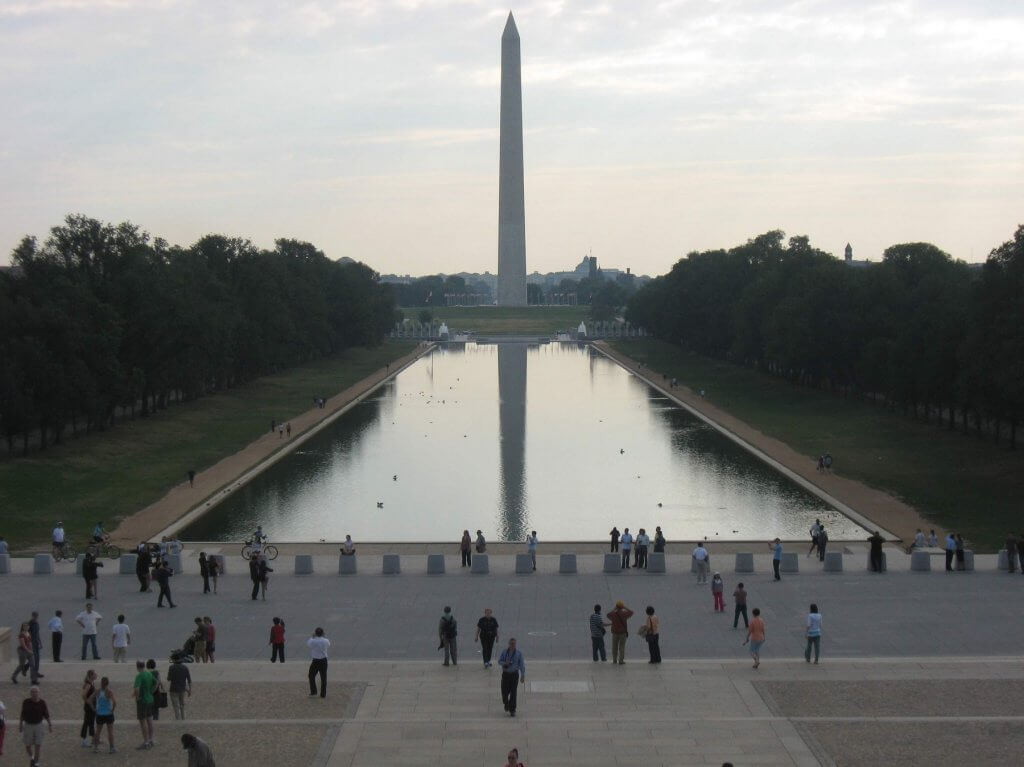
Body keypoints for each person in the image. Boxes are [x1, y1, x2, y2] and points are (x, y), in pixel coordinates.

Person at [18, 685, 51, 767]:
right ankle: (32, 757)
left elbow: (46, 714)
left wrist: (50, 725)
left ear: (39, 693)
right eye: (32, 692)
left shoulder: (42, 703)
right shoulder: (26, 702)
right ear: (30, 693)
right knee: (27, 745)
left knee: (38, 745)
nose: (34, 693)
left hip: (38, 725)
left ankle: (36, 763)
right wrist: (20, 724)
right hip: (28, 725)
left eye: (36, 692)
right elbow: (22, 713)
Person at [497, 638, 526, 717]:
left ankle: (512, 709)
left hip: (514, 675)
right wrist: (505, 663)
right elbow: (499, 661)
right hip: (506, 674)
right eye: (511, 644)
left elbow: (522, 665)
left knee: (513, 692)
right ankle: (506, 704)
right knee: (504, 692)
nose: (513, 645)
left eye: (514, 644)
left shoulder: (519, 653)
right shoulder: (504, 652)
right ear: (509, 644)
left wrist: (522, 675)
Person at [133, 660, 156, 749]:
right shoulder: (149, 674)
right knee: (150, 720)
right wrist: (152, 691)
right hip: (150, 699)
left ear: (137, 667)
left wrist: (137, 697)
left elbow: (137, 688)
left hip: (143, 701)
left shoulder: (139, 676)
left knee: (143, 722)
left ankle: (146, 742)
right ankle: (151, 739)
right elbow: (156, 682)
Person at [90, 676, 116, 753]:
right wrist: (112, 710)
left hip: (99, 714)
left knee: (98, 731)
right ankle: (111, 748)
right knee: (110, 732)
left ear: (101, 683)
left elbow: (90, 699)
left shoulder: (97, 691)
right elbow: (115, 702)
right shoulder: (109, 691)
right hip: (108, 713)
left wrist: (93, 709)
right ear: (107, 683)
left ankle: (95, 747)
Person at [607, 600, 634, 664]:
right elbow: (631, 612)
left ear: (616, 606)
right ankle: (621, 660)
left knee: (614, 647)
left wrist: (614, 609)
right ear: (622, 607)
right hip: (623, 633)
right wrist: (625, 607)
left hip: (615, 632)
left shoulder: (613, 614)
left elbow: (608, 615)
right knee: (622, 647)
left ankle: (614, 660)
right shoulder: (624, 614)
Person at [307, 627, 330, 698]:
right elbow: (328, 645)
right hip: (323, 660)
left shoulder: (312, 641)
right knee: (323, 677)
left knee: (311, 675)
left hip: (315, 661)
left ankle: (313, 691)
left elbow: (308, 644)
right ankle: (323, 694)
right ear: (322, 633)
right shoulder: (326, 640)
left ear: (315, 633)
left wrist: (312, 637)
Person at [167, 656, 192, 720]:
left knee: (176, 706)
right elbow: (189, 680)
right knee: (182, 705)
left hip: (173, 689)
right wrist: (189, 690)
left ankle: (178, 718)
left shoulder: (171, 667)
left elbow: (168, 679)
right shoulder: (185, 668)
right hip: (182, 689)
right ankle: (183, 718)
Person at [81, 669, 97, 747]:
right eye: (94, 674)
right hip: (89, 707)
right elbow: (84, 695)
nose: (96, 675)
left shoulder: (91, 683)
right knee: (89, 723)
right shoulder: (89, 685)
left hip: (91, 706)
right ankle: (87, 741)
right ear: (91, 676)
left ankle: (93, 739)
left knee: (90, 722)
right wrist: (89, 703)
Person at [27, 612, 43, 680]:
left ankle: (35, 671)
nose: (36, 617)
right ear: (33, 616)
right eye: (35, 616)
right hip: (32, 643)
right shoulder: (30, 623)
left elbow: (37, 634)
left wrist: (40, 642)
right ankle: (34, 673)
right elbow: (27, 634)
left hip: (36, 643)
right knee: (34, 659)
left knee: (37, 658)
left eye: (36, 616)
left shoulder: (36, 623)